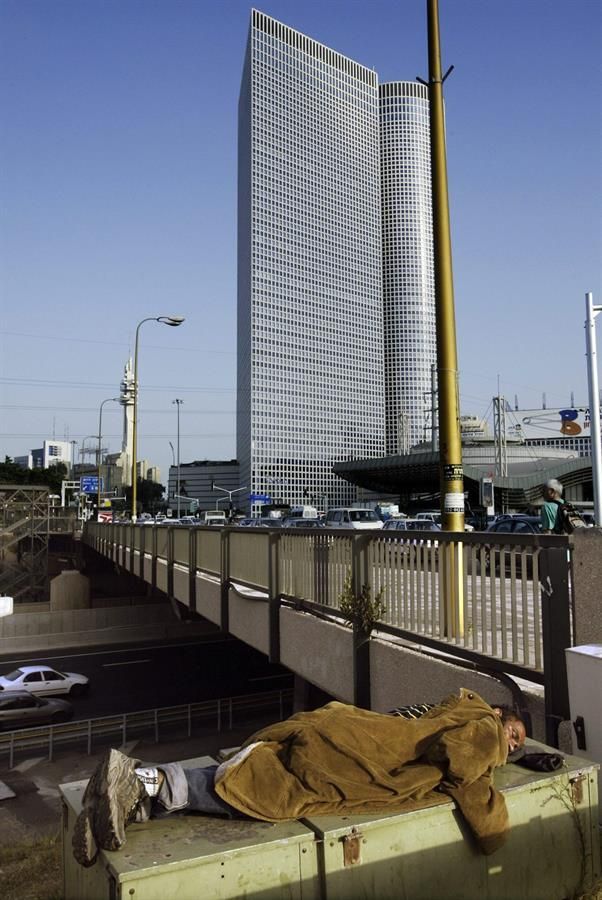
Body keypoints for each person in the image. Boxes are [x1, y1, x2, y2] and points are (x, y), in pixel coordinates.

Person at [73, 688, 526, 869]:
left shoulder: (456, 709)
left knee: (258, 776)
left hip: (344, 731)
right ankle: (145, 782)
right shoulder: (485, 728)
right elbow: (460, 761)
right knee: (266, 793)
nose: (514, 745)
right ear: (500, 715)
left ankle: (126, 799)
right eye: (516, 734)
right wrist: (496, 826)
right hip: (350, 758)